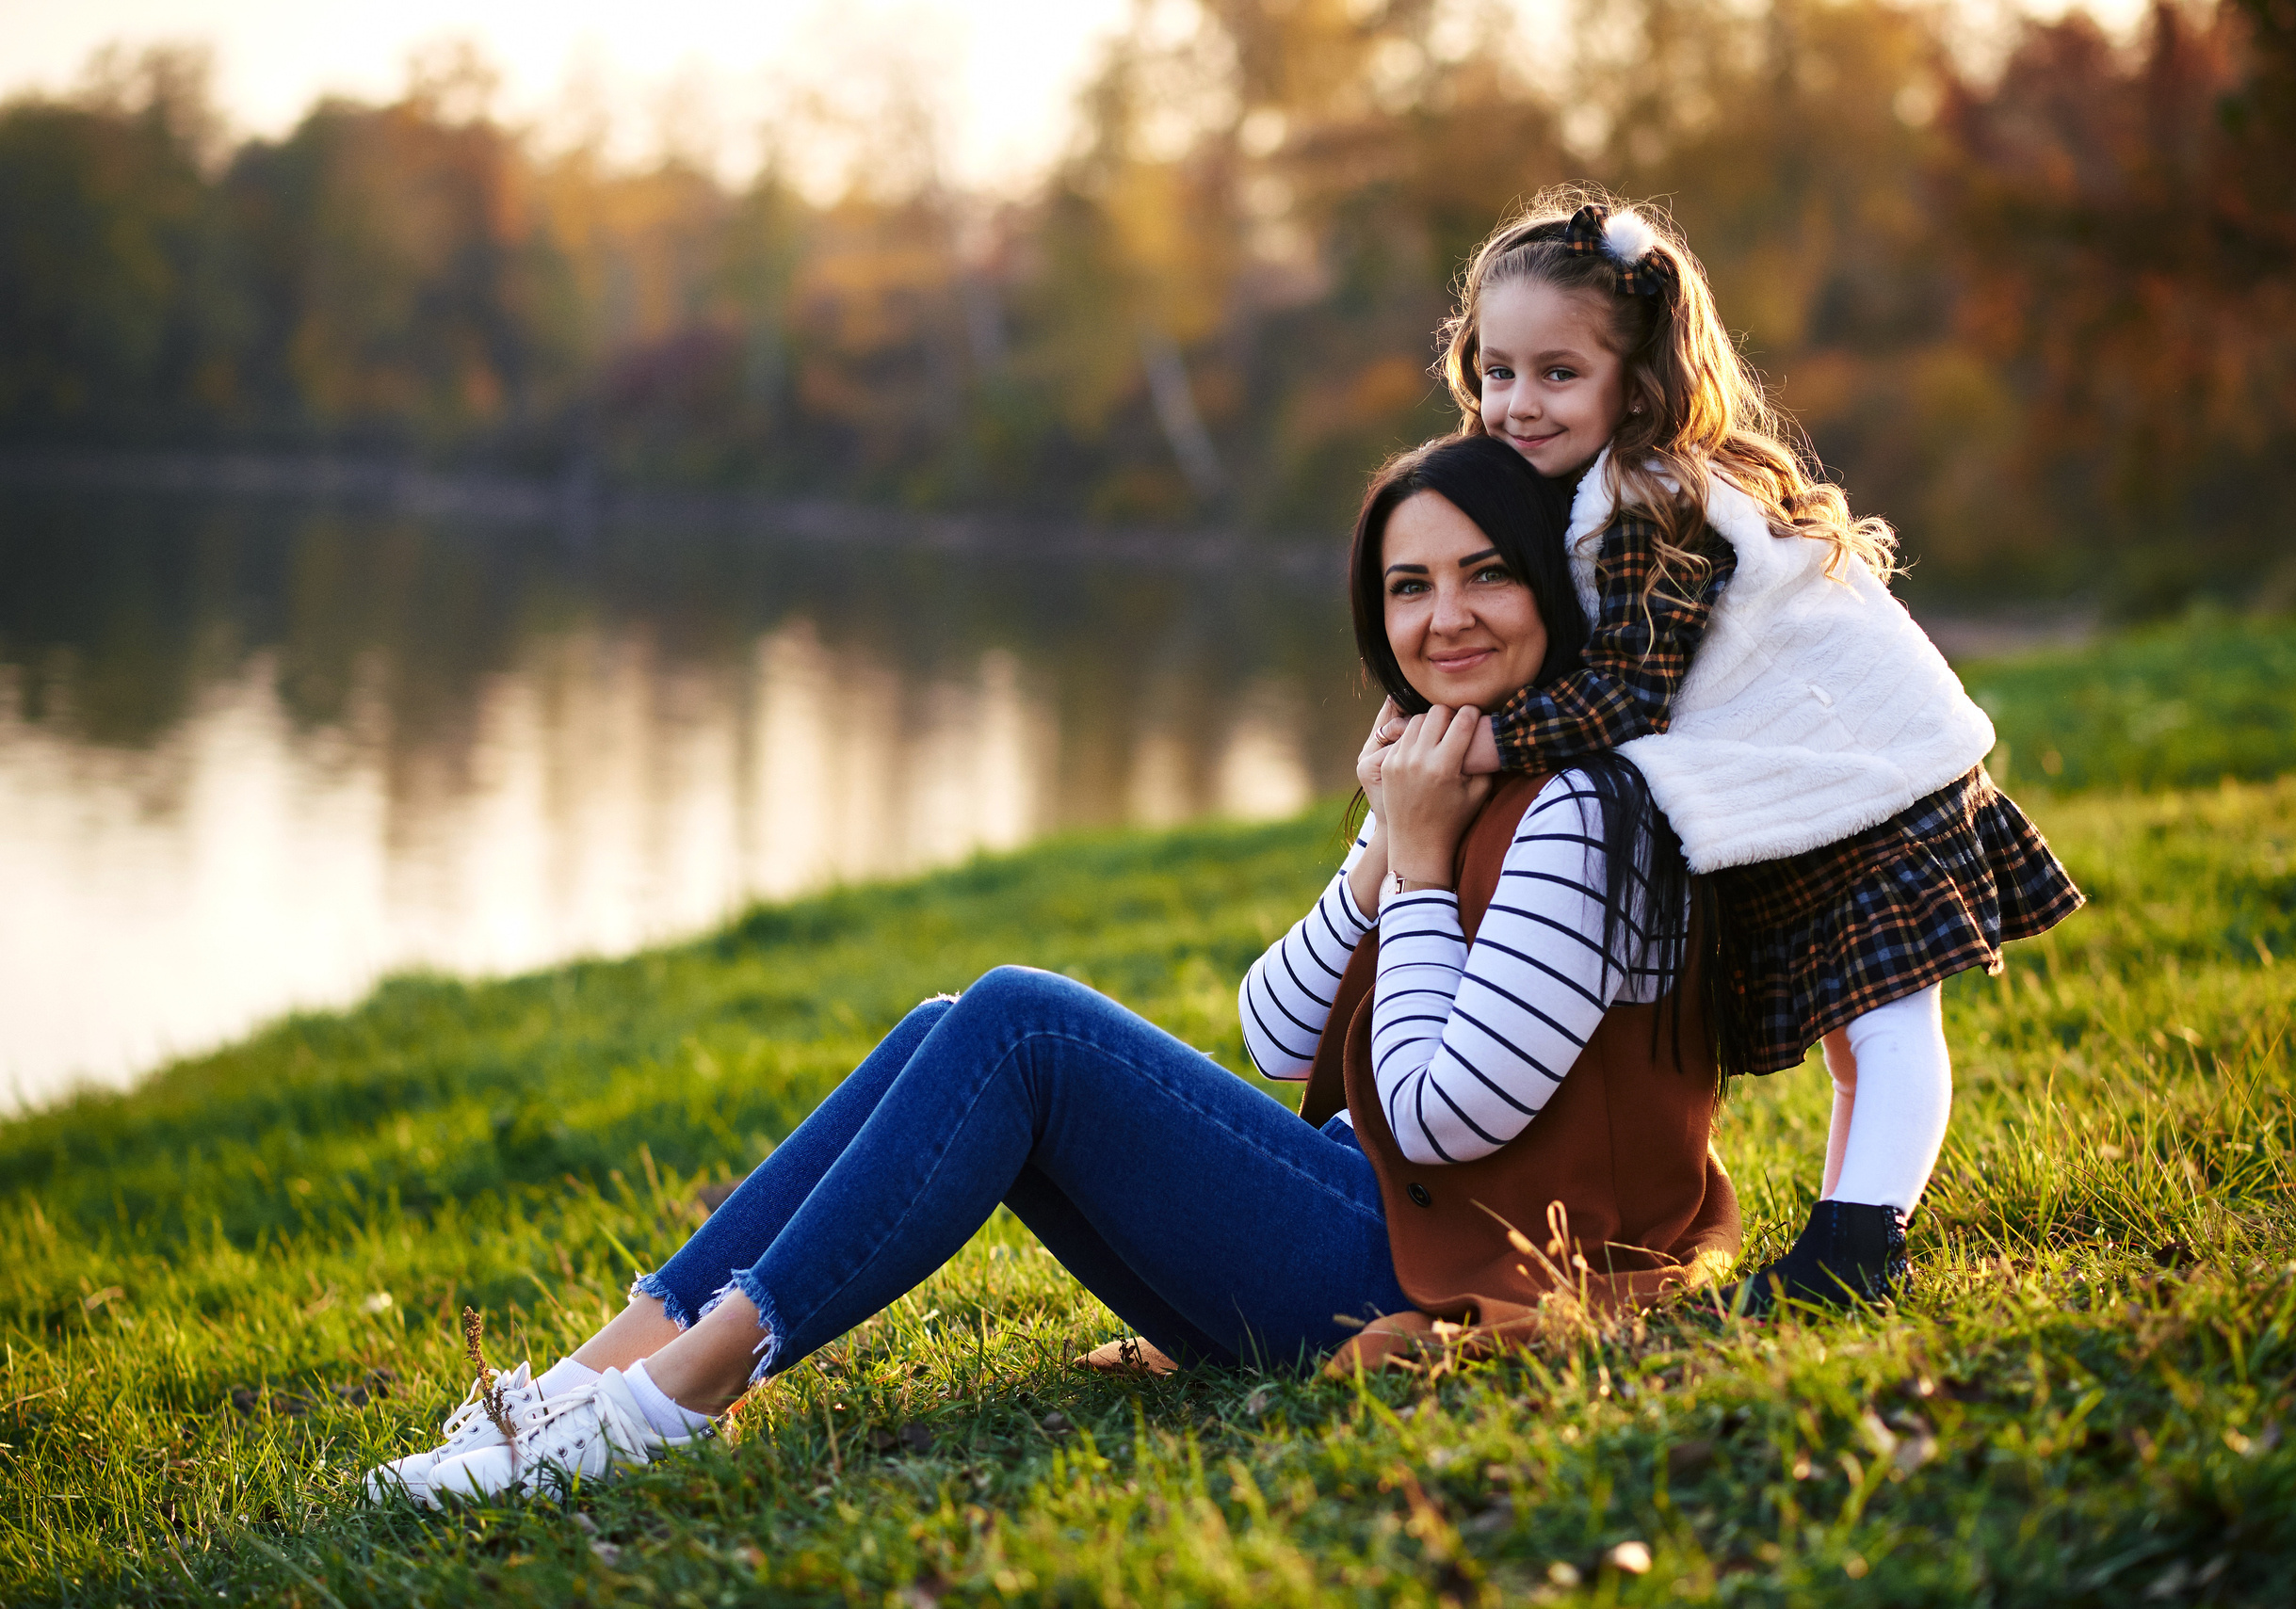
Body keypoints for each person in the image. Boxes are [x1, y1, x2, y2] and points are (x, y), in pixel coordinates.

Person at [363, 434, 1732, 1506]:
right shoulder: (1455, 768)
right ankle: (579, 1386)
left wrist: (1423, 865)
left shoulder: (1583, 812)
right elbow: (1274, 1028)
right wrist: (1386, 852)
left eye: (1486, 573)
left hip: (1472, 1279)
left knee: (1018, 1023)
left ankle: (667, 1404)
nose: (1445, 619)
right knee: (943, 1029)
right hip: (1393, 1226)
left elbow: (1447, 1118)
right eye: (1408, 585)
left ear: (1551, 585)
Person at [1429, 186, 2085, 1313]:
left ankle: (1862, 1241)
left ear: (1636, 382)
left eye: (1557, 373)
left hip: (1869, 778)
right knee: (1857, 1038)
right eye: (1497, 372)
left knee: (1887, 1023)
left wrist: (1482, 740)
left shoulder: (1645, 500)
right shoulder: (1618, 484)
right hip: (1826, 776)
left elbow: (1626, 696)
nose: (1517, 403)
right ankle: (1847, 1232)